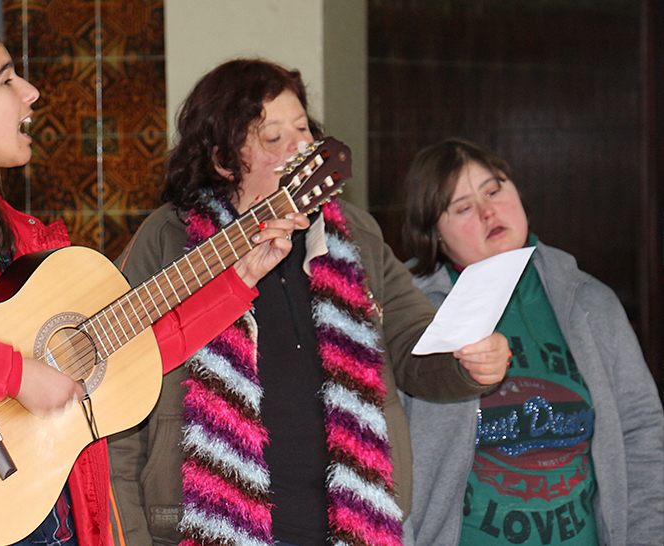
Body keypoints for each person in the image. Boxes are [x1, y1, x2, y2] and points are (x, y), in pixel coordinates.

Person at [0, 27, 305, 546]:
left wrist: (239, 280)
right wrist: (14, 374)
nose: (31, 92)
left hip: (40, 507)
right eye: (6, 79)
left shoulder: (16, 234)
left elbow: (129, 350)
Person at [106, 59, 511, 546]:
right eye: (273, 138)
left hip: (352, 526)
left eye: (303, 129)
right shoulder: (169, 240)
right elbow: (119, 402)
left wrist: (470, 363)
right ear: (222, 160)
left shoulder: (355, 233)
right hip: (207, 527)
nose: (300, 147)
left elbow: (417, 346)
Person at [400, 138, 664, 546]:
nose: (489, 211)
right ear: (436, 234)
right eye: (464, 207)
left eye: (494, 190)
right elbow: (376, 455)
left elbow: (642, 430)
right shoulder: (406, 314)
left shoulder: (589, 300)